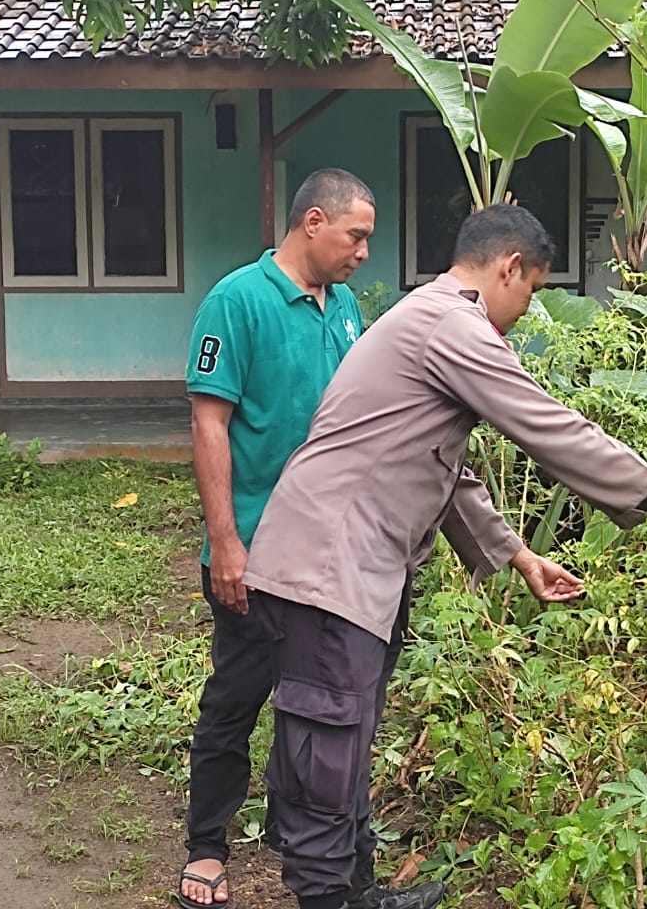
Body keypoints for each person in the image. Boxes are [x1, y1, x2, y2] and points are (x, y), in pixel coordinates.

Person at [242, 204, 647, 909]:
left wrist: (518, 555)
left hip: (351, 567)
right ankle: (328, 899)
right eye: (532, 291)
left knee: (347, 737)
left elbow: (443, 467)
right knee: (326, 748)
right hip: (328, 565)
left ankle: (356, 892)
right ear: (510, 268)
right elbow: (553, 429)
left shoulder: (429, 318)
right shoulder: (453, 324)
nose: (525, 311)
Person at [181, 169, 419, 909]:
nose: (363, 252)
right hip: (257, 554)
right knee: (235, 702)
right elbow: (210, 425)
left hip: (330, 559)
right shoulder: (237, 301)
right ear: (313, 222)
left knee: (335, 715)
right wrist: (226, 542)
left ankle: (346, 874)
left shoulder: (343, 306)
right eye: (356, 236)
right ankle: (207, 848)